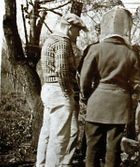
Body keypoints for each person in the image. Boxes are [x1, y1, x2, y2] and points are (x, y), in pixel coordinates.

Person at [79, 7, 140, 167]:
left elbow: (85, 80)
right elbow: (136, 83)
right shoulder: (130, 53)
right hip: (119, 107)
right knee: (113, 149)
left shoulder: (95, 49)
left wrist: (86, 97)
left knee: (92, 148)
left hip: (97, 104)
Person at [36, 13, 87, 167]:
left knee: (47, 132)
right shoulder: (62, 42)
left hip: (48, 88)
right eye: (78, 30)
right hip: (59, 92)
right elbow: (62, 71)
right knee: (60, 137)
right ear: (70, 27)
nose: (78, 34)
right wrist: (68, 93)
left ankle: (41, 164)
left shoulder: (50, 39)